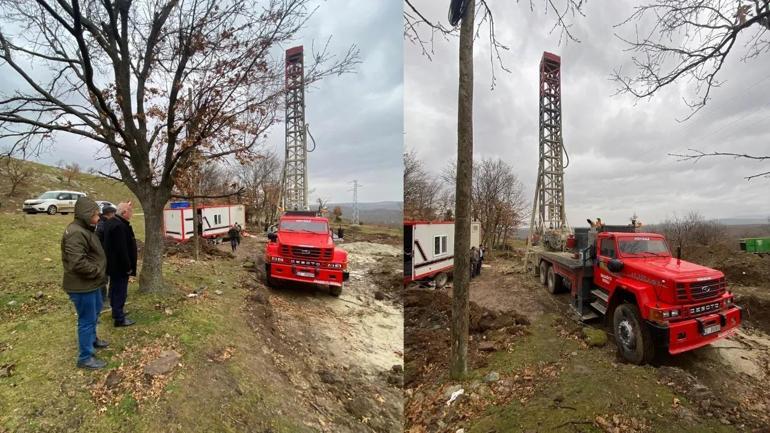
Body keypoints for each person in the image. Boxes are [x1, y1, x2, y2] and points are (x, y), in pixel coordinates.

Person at [61, 196, 109, 369]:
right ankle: (85, 358)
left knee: (95, 313)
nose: (98, 218)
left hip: (92, 283)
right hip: (82, 285)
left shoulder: (85, 229)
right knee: (87, 320)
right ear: (86, 214)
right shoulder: (75, 232)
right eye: (95, 214)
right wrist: (97, 271)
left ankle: (93, 340)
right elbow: (77, 262)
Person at [103, 201, 137, 327]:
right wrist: (128, 267)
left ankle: (116, 311)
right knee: (120, 291)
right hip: (119, 266)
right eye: (130, 212)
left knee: (114, 288)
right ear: (124, 213)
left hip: (112, 264)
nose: (131, 214)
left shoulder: (112, 222)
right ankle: (119, 318)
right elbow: (122, 249)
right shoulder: (119, 226)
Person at [95, 205, 116, 304]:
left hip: (105, 254)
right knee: (103, 277)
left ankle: (108, 296)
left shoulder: (103, 223)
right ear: (109, 214)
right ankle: (102, 299)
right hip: (103, 255)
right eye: (113, 214)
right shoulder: (103, 225)